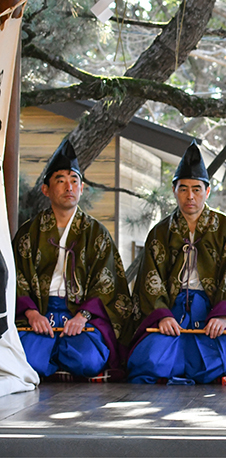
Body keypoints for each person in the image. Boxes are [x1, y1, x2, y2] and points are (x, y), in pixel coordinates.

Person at [128, 141, 226, 384]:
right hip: (172, 309)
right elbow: (150, 280)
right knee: (148, 360)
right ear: (174, 191)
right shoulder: (160, 232)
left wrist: (223, 315)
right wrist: (162, 315)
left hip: (212, 309)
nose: (190, 196)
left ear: (208, 191)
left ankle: (182, 369)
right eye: (183, 189)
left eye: (196, 188)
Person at [14, 138, 133, 379]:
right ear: (46, 189)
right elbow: (17, 278)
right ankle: (52, 358)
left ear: (81, 188)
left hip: (81, 316)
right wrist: (32, 314)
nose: (69, 187)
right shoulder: (30, 232)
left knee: (87, 361)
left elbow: (107, 283)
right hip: (40, 315)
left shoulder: (96, 233)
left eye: (74, 181)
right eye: (61, 181)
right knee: (27, 360)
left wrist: (82, 316)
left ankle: (58, 360)